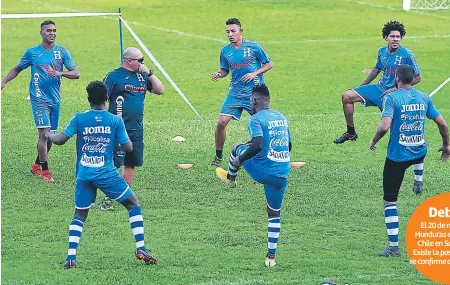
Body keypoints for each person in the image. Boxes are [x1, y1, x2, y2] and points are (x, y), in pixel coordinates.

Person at [46, 81, 157, 269]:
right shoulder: (115, 120)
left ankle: (71, 257)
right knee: (133, 203)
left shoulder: (79, 118)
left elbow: (60, 140)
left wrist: (48, 134)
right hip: (106, 173)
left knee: (80, 213)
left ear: (88, 99)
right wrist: (120, 140)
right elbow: (129, 147)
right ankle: (141, 248)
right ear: (107, 98)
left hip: (84, 173)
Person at [333, 21, 426, 195]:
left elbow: (418, 78)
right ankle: (350, 132)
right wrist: (361, 87)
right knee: (347, 96)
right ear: (385, 38)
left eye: (398, 37)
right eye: (392, 36)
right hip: (378, 89)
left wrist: (395, 89)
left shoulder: (407, 55)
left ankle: (414, 173)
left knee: (397, 130)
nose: (395, 39)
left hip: (393, 96)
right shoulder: (382, 52)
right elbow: (376, 69)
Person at [369, 65, 449, 257]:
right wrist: (447, 145)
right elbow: (442, 124)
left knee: (390, 201)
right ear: (413, 79)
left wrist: (374, 140)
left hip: (398, 156)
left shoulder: (391, 98)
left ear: (397, 78)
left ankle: (394, 247)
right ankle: (418, 181)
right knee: (419, 152)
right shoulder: (424, 97)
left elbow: (384, 126)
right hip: (420, 149)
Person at [215, 84, 291, 267]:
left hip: (265, 171)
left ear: (254, 101)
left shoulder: (255, 119)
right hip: (282, 173)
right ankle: (271, 257)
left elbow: (257, 144)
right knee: (274, 213)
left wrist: (240, 160)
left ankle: (230, 178)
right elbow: (288, 146)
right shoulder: (281, 116)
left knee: (237, 147)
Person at [1, 20, 79, 181]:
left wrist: (59, 73)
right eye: (49, 30)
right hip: (38, 98)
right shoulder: (32, 53)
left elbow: (76, 73)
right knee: (44, 134)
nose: (52, 33)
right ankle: (45, 171)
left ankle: (37, 165)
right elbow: (17, 68)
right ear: (42, 33)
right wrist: (4, 81)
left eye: (54, 30)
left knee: (50, 136)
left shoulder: (62, 52)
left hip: (55, 99)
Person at [101, 47, 164, 210]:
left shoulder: (143, 76)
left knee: (130, 163)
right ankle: (108, 196)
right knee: (114, 163)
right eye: (140, 60)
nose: (143, 63)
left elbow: (159, 90)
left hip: (136, 128)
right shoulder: (114, 76)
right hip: (117, 128)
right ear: (129, 61)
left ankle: (121, 197)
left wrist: (150, 73)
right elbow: (101, 99)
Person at [210, 18, 273, 167]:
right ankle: (218, 156)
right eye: (227, 32)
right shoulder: (225, 51)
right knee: (221, 122)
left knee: (263, 125)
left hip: (255, 94)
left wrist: (254, 73)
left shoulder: (254, 47)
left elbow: (269, 64)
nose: (230, 34)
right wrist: (219, 74)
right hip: (235, 93)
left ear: (241, 31)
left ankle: (270, 155)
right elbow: (225, 70)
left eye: (233, 31)